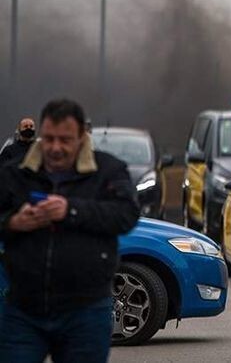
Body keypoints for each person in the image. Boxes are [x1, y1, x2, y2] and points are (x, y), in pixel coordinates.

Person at [0, 99, 139, 363]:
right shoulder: (15, 173)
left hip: (86, 310)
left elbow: (126, 215)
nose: (55, 148)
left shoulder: (108, 171)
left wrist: (71, 210)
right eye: (49, 139)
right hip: (23, 309)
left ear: (81, 138)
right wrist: (12, 222)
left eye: (65, 140)